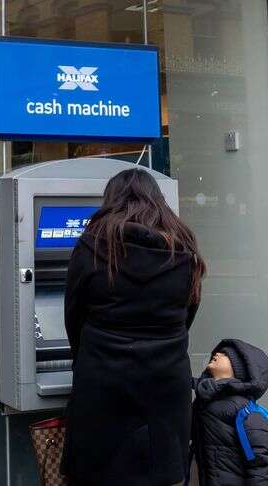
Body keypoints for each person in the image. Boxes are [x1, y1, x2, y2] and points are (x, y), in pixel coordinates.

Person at [61, 168, 205, 486]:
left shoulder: (92, 246)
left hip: (102, 382)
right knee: (164, 475)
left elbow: (73, 314)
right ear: (159, 202)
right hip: (167, 385)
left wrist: (86, 357)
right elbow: (187, 315)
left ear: (111, 201)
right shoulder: (184, 251)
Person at [191, 340, 268, 486]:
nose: (217, 353)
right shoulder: (204, 403)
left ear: (240, 369)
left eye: (225, 354)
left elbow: (260, 464)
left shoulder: (244, 411)